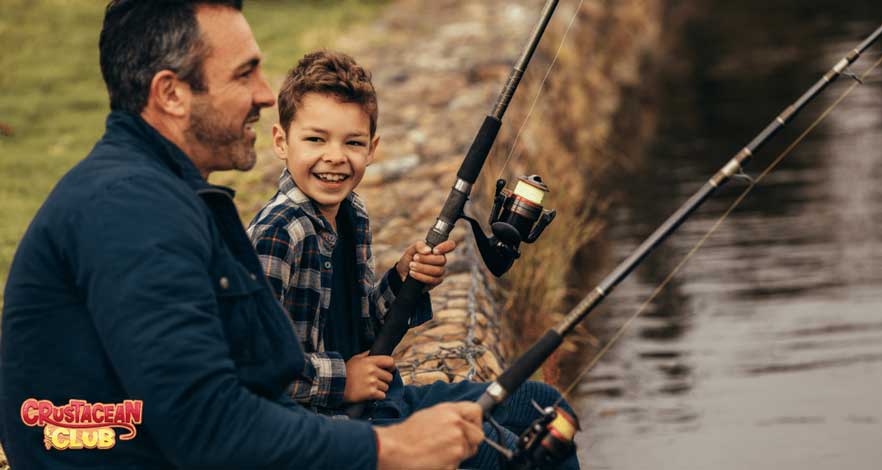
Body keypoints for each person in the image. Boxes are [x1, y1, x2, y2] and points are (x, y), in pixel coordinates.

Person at [0, 2, 482, 469]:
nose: (265, 94)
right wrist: (390, 450)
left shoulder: (168, 194)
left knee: (529, 407)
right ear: (171, 94)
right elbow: (208, 423)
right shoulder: (131, 212)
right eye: (244, 73)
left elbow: (248, 376)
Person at [247, 50, 580, 469]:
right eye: (315, 139)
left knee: (544, 408)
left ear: (372, 148)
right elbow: (254, 368)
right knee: (487, 445)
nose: (334, 156)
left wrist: (404, 280)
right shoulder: (278, 234)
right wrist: (342, 380)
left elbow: (366, 329)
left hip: (384, 402)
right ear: (281, 141)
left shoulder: (353, 214)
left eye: (352, 142)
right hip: (330, 430)